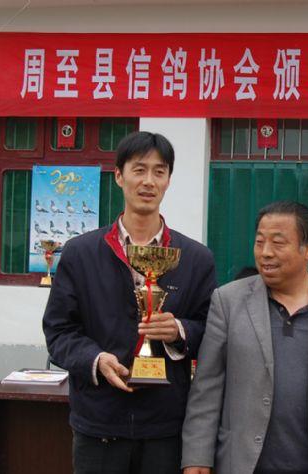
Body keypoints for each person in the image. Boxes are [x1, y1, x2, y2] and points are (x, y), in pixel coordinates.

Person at [43, 131, 216, 474]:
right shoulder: (80, 253)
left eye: (159, 171)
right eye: (139, 169)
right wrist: (95, 359)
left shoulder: (195, 258)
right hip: (99, 421)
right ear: (119, 176)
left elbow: (212, 331)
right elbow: (59, 331)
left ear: (168, 180)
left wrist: (179, 330)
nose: (148, 181)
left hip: (166, 425)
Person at [181, 201, 308, 474]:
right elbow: (207, 389)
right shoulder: (228, 302)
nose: (265, 252)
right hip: (243, 464)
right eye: (259, 242)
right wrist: (196, 458)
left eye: (278, 243)